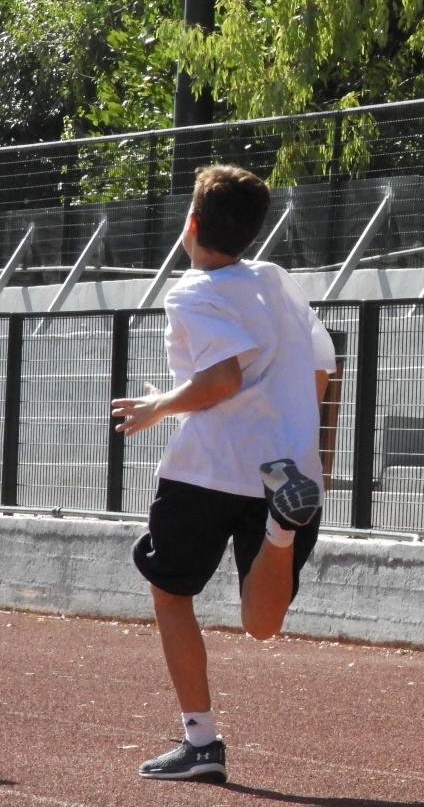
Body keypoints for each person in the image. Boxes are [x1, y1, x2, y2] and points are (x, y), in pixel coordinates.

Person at [111, 165, 337, 783]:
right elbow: (322, 363)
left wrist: (160, 405)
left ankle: (201, 741)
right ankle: (281, 530)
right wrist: (297, 437)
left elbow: (223, 378)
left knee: (169, 587)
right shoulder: (276, 279)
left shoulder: (190, 290)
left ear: (191, 224)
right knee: (261, 624)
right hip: (289, 467)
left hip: (208, 468)